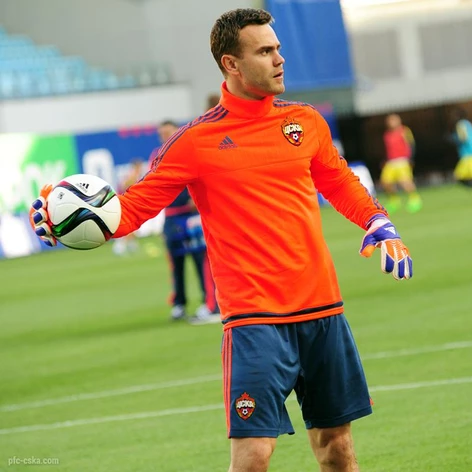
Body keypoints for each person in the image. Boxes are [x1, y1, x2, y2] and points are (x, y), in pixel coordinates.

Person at [30, 8, 413, 472]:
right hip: (254, 321)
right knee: (252, 457)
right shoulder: (195, 141)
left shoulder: (305, 121)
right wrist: (65, 220)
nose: (279, 59)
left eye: (278, 49)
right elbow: (131, 209)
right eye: (265, 51)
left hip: (323, 311)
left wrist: (378, 221)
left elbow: (338, 181)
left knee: (338, 449)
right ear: (231, 64)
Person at [153, 120, 220, 325]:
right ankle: (179, 304)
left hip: (191, 216)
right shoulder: (157, 155)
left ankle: (209, 303)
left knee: (201, 260)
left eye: (168, 132)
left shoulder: (189, 150)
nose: (165, 137)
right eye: (162, 134)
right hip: (171, 216)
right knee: (176, 263)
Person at [380, 113, 422, 213]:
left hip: (402, 160)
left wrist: (410, 159)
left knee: (405, 181)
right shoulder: (387, 135)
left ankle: (415, 199)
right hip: (391, 161)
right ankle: (394, 200)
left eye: (393, 120)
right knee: (385, 182)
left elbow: (411, 145)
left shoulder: (405, 131)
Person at [112, 158, 147, 256]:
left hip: (129, 202)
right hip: (126, 203)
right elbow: (125, 187)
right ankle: (119, 246)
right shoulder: (132, 175)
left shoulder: (136, 175)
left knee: (133, 226)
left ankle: (131, 245)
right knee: (131, 224)